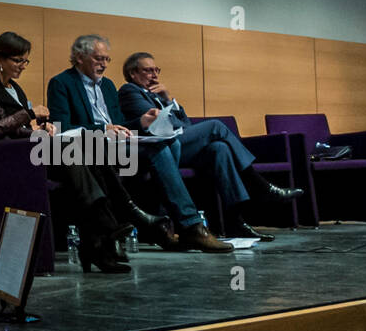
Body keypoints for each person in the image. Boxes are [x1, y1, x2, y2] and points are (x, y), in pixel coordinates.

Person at [0, 31, 129, 273]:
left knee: (86, 151)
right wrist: (27, 116)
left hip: (9, 151)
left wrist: (36, 133)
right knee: (74, 152)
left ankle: (101, 241)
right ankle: (109, 227)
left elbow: (6, 124)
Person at [0, 31, 176, 250]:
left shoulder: (14, 87)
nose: (23, 66)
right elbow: (3, 126)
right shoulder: (0, 88)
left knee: (157, 146)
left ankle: (111, 232)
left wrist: (40, 125)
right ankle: (126, 218)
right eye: (18, 60)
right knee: (93, 148)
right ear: (0, 59)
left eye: (25, 61)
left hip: (80, 145)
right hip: (27, 151)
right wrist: (32, 122)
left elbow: (117, 122)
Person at [47, 34, 233, 253]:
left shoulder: (107, 86)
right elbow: (62, 130)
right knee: (158, 150)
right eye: (98, 58)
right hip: (92, 147)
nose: (104, 64)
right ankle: (189, 226)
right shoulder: (61, 83)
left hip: (118, 144)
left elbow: (119, 124)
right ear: (79, 57)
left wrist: (141, 122)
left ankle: (167, 227)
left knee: (170, 144)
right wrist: (102, 130)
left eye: (107, 59)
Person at [118, 51, 303, 241]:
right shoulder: (130, 91)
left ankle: (235, 222)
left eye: (156, 70)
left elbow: (186, 124)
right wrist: (181, 123)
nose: (155, 75)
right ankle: (261, 186)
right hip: (158, 149)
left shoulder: (157, 95)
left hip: (178, 145)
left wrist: (168, 98)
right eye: (148, 71)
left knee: (219, 149)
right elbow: (160, 126)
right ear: (133, 73)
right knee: (215, 126)